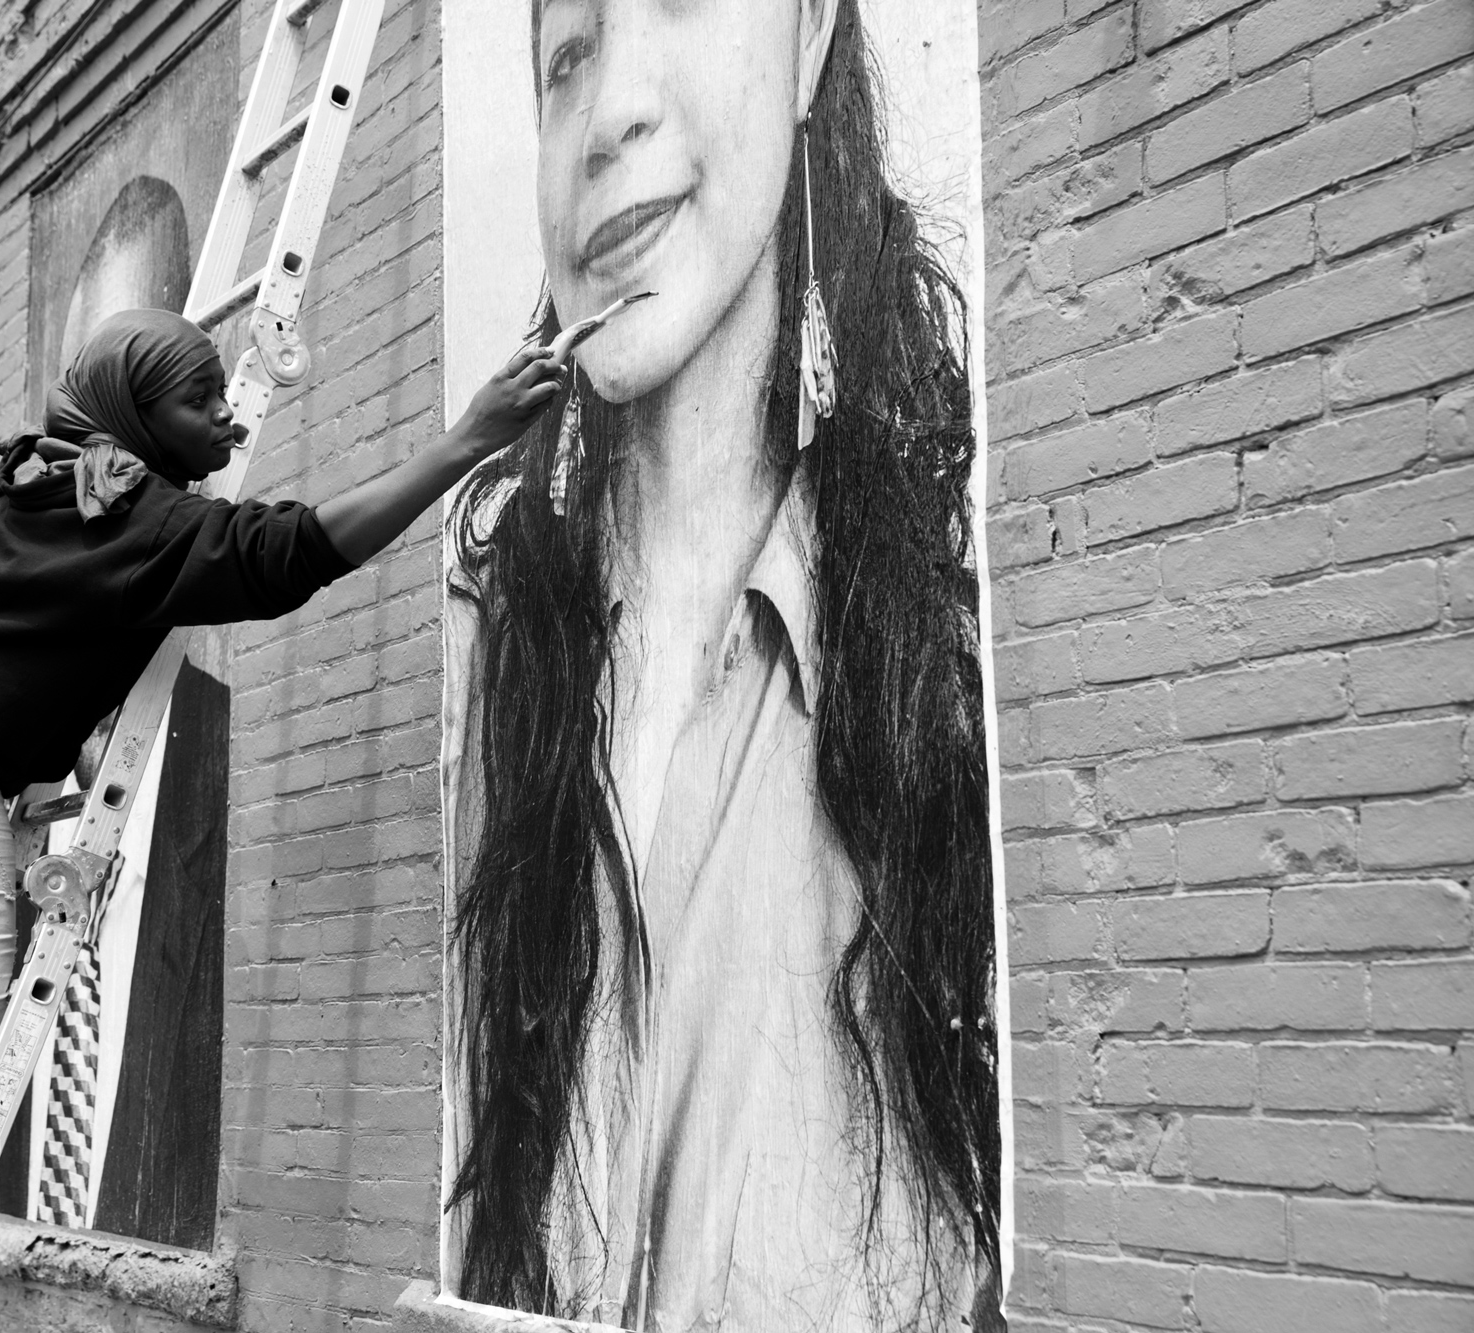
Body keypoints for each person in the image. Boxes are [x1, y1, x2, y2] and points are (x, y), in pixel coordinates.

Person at [0, 308, 561, 1267]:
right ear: (132, 415)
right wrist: (469, 440)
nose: (228, 420)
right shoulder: (125, 513)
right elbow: (287, 556)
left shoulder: (26, 481)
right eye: (200, 402)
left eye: (226, 396)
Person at [442, 0, 998, 1329]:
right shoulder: (490, 668)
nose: (611, 110)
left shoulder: (954, 678)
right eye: (564, 56)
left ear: (810, 35)